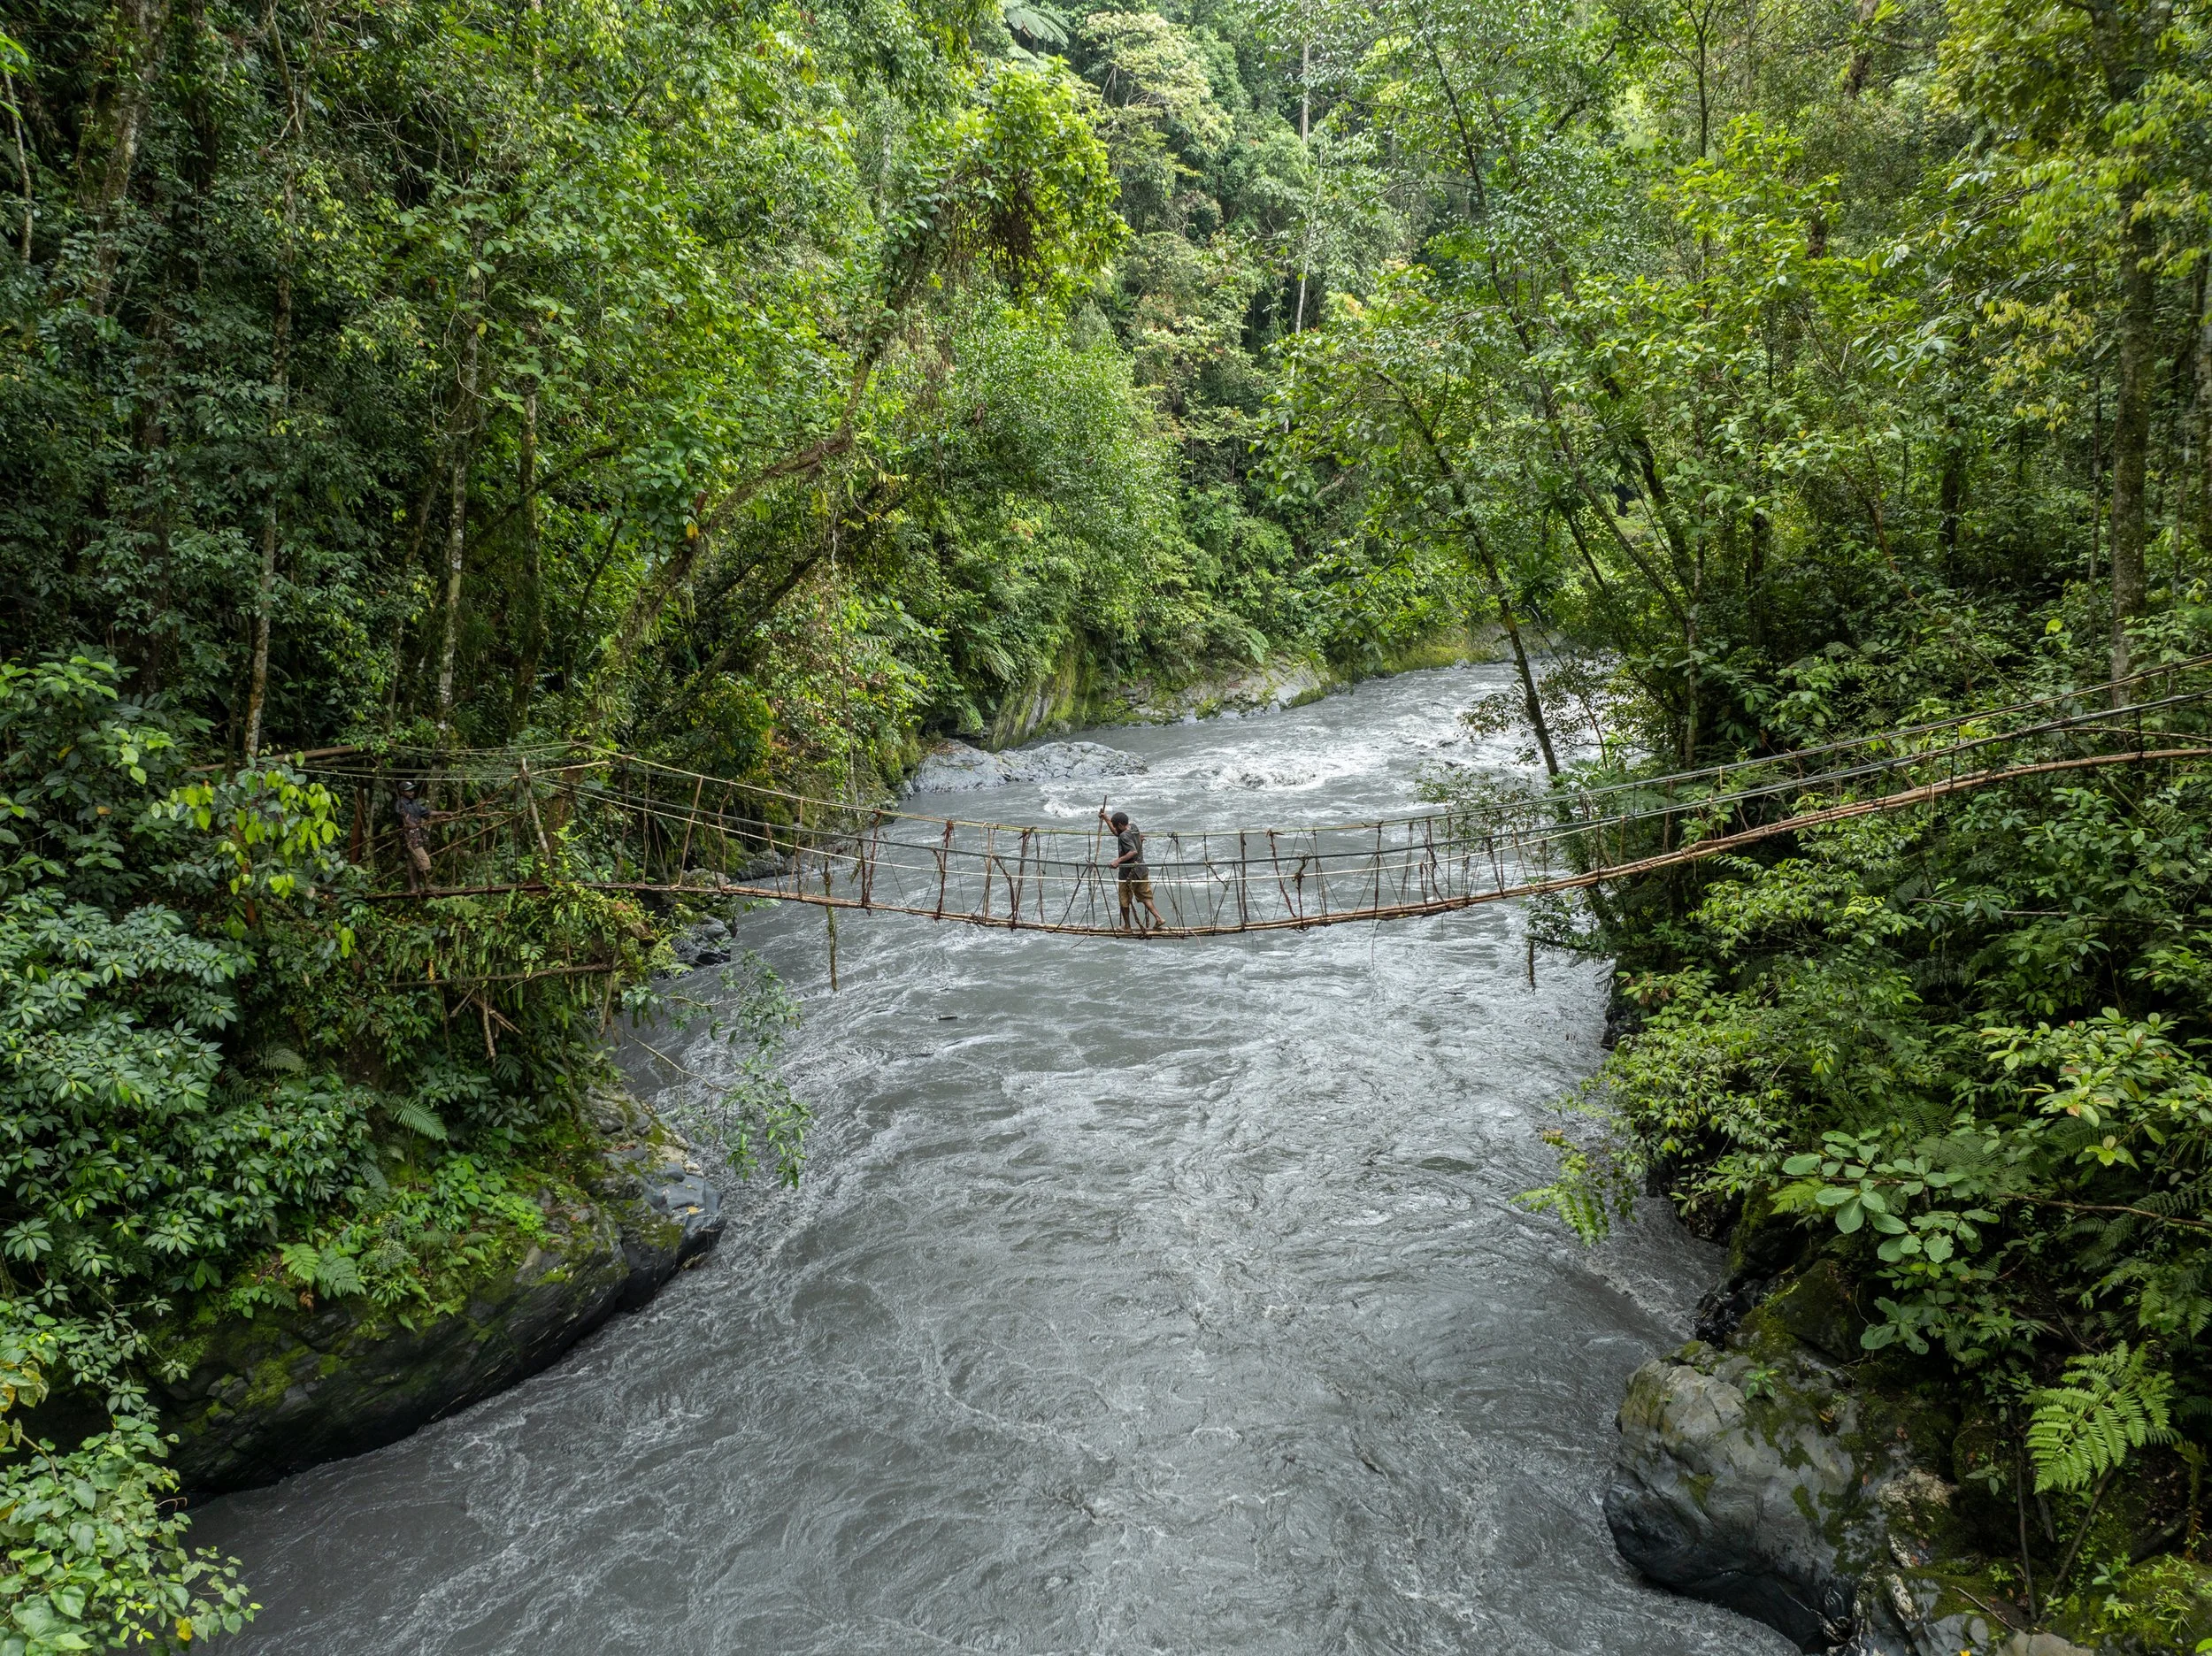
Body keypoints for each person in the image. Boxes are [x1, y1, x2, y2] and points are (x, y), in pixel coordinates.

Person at [1099, 807, 1165, 933]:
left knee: (1124, 900)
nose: (1115, 828)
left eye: (1115, 825)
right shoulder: (1133, 827)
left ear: (1119, 825)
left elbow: (1133, 851)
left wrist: (1117, 861)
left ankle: (1127, 927)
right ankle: (1159, 918)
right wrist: (1106, 818)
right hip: (1142, 869)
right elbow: (1117, 833)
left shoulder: (1124, 836)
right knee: (1145, 896)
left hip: (1129, 874)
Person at [394, 778, 434, 893]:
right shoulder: (400, 804)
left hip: (417, 836)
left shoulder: (414, 804)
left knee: (412, 861)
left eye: (412, 790)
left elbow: (428, 812)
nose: (412, 793)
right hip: (409, 837)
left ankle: (415, 888)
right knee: (423, 860)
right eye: (408, 791)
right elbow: (402, 816)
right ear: (402, 792)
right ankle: (427, 885)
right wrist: (409, 823)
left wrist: (444, 813)